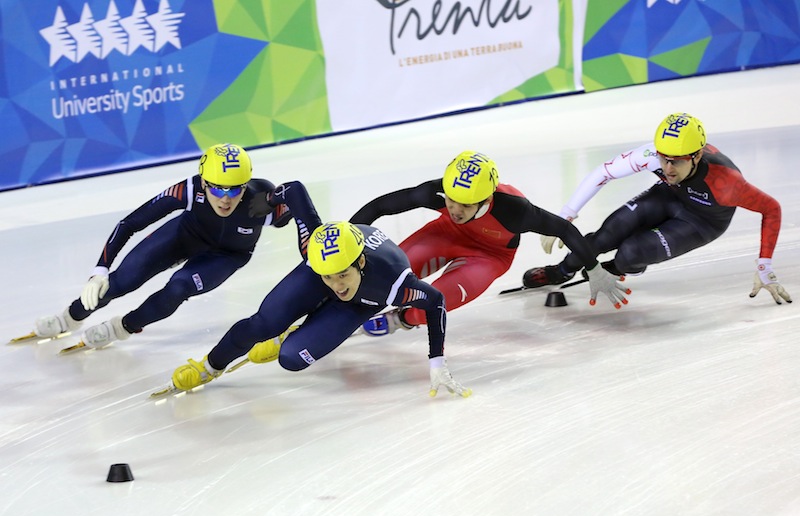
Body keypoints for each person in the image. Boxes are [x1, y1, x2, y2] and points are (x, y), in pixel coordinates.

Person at [159, 180, 470, 398]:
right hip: (316, 269)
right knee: (261, 324)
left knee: (291, 358)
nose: (336, 285)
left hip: (365, 299)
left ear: (359, 262)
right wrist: (266, 201)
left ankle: (289, 336)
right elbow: (293, 190)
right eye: (329, 278)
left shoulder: (396, 286)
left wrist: (437, 362)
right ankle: (209, 366)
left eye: (342, 275)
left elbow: (436, 301)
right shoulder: (312, 246)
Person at [16, 143, 291, 349]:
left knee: (179, 287)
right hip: (186, 235)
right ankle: (69, 318)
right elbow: (130, 223)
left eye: (235, 189)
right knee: (121, 281)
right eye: (217, 189)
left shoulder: (260, 199)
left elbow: (297, 210)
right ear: (203, 182)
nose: (226, 199)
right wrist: (99, 269)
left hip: (227, 255)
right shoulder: (187, 190)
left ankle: (123, 328)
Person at [347, 150, 630, 337]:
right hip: (445, 234)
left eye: (465, 205)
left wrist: (593, 268)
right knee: (388, 275)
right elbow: (380, 206)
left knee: (434, 303)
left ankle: (401, 320)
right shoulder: (435, 191)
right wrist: (346, 243)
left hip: (489, 255)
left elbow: (564, 230)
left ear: (486, 200)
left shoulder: (515, 210)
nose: (455, 209)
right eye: (450, 200)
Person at [526, 112, 792, 304]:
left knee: (631, 252)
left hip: (703, 221)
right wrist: (565, 216)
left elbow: (772, 209)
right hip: (670, 196)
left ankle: (620, 267)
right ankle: (560, 271)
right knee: (611, 231)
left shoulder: (727, 183)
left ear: (697, 156)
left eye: (675, 162)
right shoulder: (653, 154)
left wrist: (764, 265)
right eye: (663, 159)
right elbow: (603, 173)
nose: (667, 168)